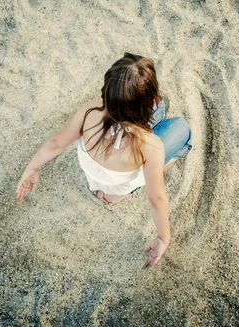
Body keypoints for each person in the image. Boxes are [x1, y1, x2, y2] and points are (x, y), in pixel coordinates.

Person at [16, 53, 192, 268]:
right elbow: (157, 198)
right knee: (181, 127)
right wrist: (164, 237)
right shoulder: (150, 145)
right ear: (149, 100)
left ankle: (107, 191)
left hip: (96, 176)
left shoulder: (90, 110)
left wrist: (32, 168)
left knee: (160, 109)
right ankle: (118, 193)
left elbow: (55, 143)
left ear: (107, 92)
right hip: (122, 182)